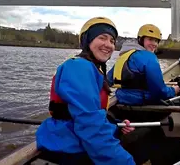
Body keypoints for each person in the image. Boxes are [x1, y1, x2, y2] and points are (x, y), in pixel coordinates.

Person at [36, 17, 135, 165]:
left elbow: (90, 114)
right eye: (102, 38)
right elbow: (90, 128)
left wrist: (115, 124)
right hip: (68, 148)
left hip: (77, 140)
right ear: (87, 41)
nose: (108, 45)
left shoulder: (91, 68)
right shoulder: (79, 68)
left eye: (112, 41)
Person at [107, 23, 180, 106]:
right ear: (141, 40)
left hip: (122, 98)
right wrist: (174, 90)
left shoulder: (124, 56)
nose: (154, 44)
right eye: (150, 39)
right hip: (142, 101)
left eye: (156, 41)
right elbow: (160, 91)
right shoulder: (149, 57)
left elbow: (108, 80)